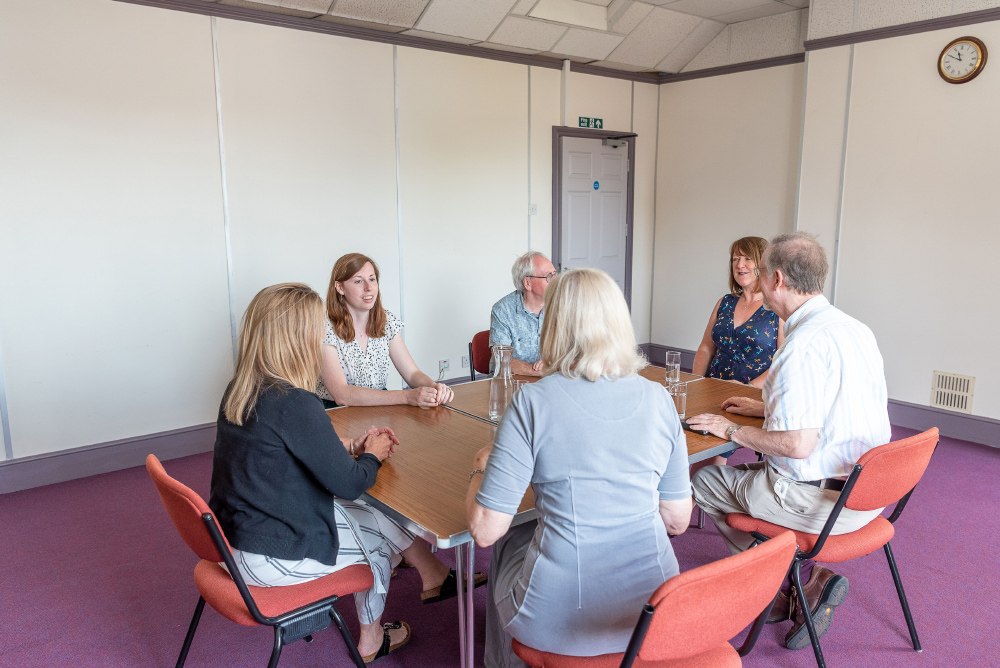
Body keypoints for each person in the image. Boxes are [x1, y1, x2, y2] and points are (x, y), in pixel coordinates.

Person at [209, 283, 480, 664]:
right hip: (270, 557)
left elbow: (283, 451)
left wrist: (345, 447)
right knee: (376, 548)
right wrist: (372, 454)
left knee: (371, 513)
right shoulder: (295, 403)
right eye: (314, 330)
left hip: (233, 538)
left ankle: (433, 575)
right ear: (295, 338)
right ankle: (371, 640)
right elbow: (351, 483)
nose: (320, 339)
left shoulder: (242, 390)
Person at [467, 268, 693, 668]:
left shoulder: (533, 402)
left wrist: (480, 468)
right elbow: (676, 521)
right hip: (654, 612)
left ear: (553, 324)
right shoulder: (660, 399)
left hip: (560, 620)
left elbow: (485, 530)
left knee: (510, 536)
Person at [686, 233, 891, 652]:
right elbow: (832, 408)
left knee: (704, 482)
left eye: (759, 272)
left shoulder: (801, 346)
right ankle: (799, 586)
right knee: (740, 473)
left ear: (777, 278)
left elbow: (798, 444)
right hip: (867, 496)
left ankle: (790, 583)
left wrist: (730, 431)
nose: (755, 279)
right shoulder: (855, 329)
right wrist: (761, 406)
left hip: (818, 504)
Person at [690, 236, 784, 470]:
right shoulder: (725, 302)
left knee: (710, 456)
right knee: (686, 436)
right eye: (735, 259)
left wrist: (747, 388)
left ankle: (693, 494)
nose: (739, 265)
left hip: (750, 396)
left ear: (762, 265)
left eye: (747, 258)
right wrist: (695, 382)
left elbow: (781, 362)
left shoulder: (776, 308)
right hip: (712, 387)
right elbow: (705, 347)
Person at [316, 253, 454, 408]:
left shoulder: (386, 320)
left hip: (380, 406)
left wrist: (434, 387)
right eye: (358, 281)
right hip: (337, 412)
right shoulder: (323, 327)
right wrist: (407, 396)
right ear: (340, 287)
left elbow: (412, 374)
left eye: (372, 279)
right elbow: (342, 395)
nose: (368, 288)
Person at [489, 251, 556, 377]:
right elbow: (501, 359)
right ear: (527, 283)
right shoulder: (503, 310)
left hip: (549, 381)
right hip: (510, 382)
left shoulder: (560, 306)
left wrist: (555, 363)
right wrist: (535, 370)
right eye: (548, 276)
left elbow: (574, 350)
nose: (555, 281)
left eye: (554, 274)